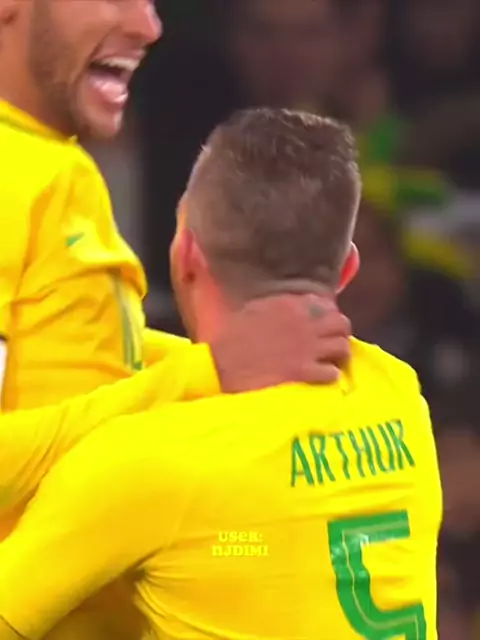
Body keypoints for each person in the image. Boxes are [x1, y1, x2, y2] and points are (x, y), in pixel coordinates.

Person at [0, 109, 442, 640]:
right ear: (347, 268)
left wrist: (202, 369)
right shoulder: (398, 394)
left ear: (185, 255)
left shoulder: (146, 461)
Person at [0, 0, 352, 638]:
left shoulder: (43, 163)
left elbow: (63, 359)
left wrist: (222, 353)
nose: (148, 25)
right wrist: (208, 370)